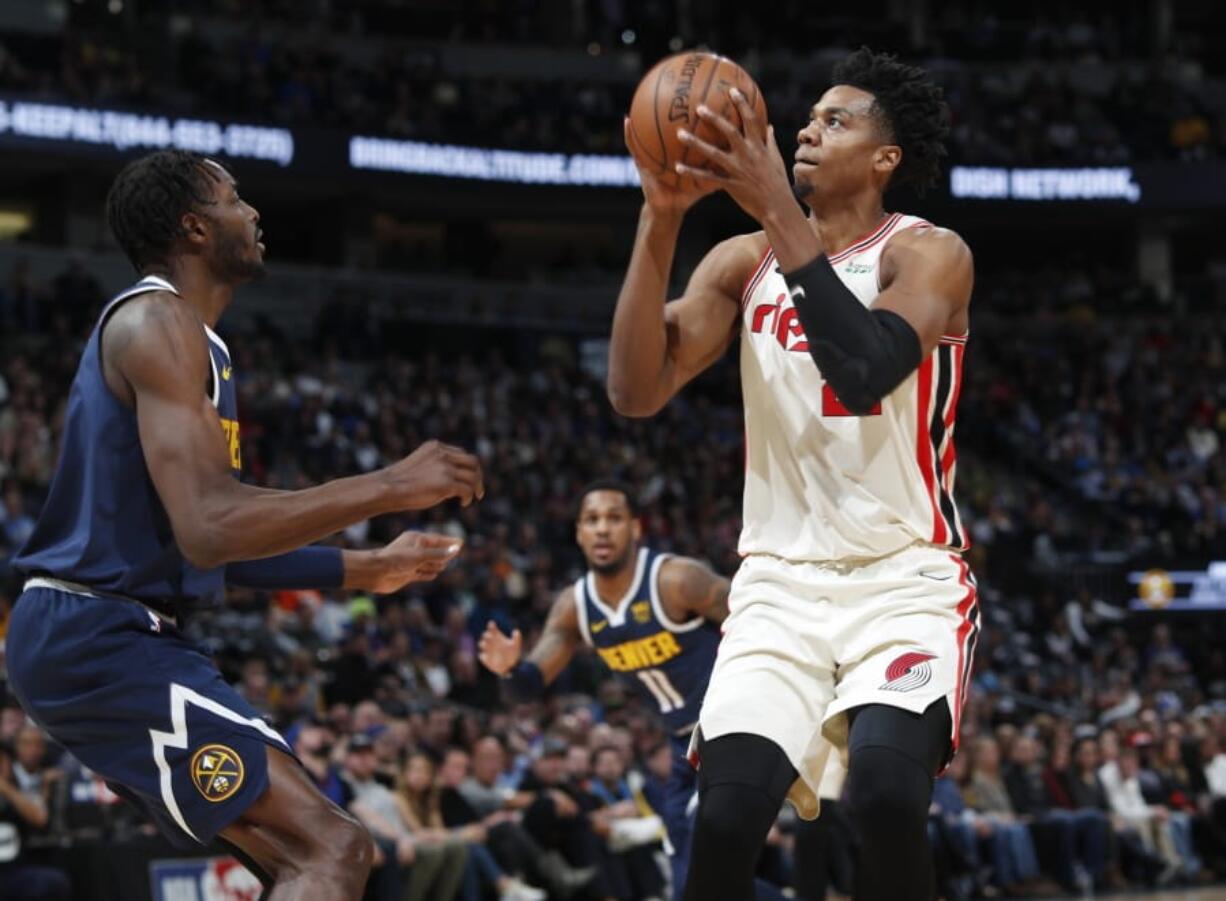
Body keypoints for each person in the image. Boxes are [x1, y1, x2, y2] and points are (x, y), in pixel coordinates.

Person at [4, 149, 484, 899]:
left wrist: (368, 568)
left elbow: (206, 544)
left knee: (305, 858)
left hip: (105, 631)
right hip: (97, 631)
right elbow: (210, 527)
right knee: (334, 847)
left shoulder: (197, 341)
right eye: (234, 199)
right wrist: (388, 484)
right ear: (194, 227)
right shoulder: (157, 320)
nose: (253, 212)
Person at [608, 47, 977, 901]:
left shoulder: (926, 254)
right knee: (727, 820)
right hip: (776, 584)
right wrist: (659, 216)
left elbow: (865, 366)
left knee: (886, 795)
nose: (806, 130)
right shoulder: (742, 263)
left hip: (905, 577)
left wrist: (776, 204)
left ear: (886, 160)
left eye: (834, 121)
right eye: (806, 118)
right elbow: (634, 389)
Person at [477, 479, 730, 898]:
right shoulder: (576, 606)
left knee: (695, 869)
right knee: (697, 878)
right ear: (578, 533)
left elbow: (757, 618)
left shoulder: (677, 579)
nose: (602, 529)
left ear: (635, 528)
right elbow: (530, 685)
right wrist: (508, 670)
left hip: (729, 724)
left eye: (614, 518)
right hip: (681, 745)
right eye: (591, 520)